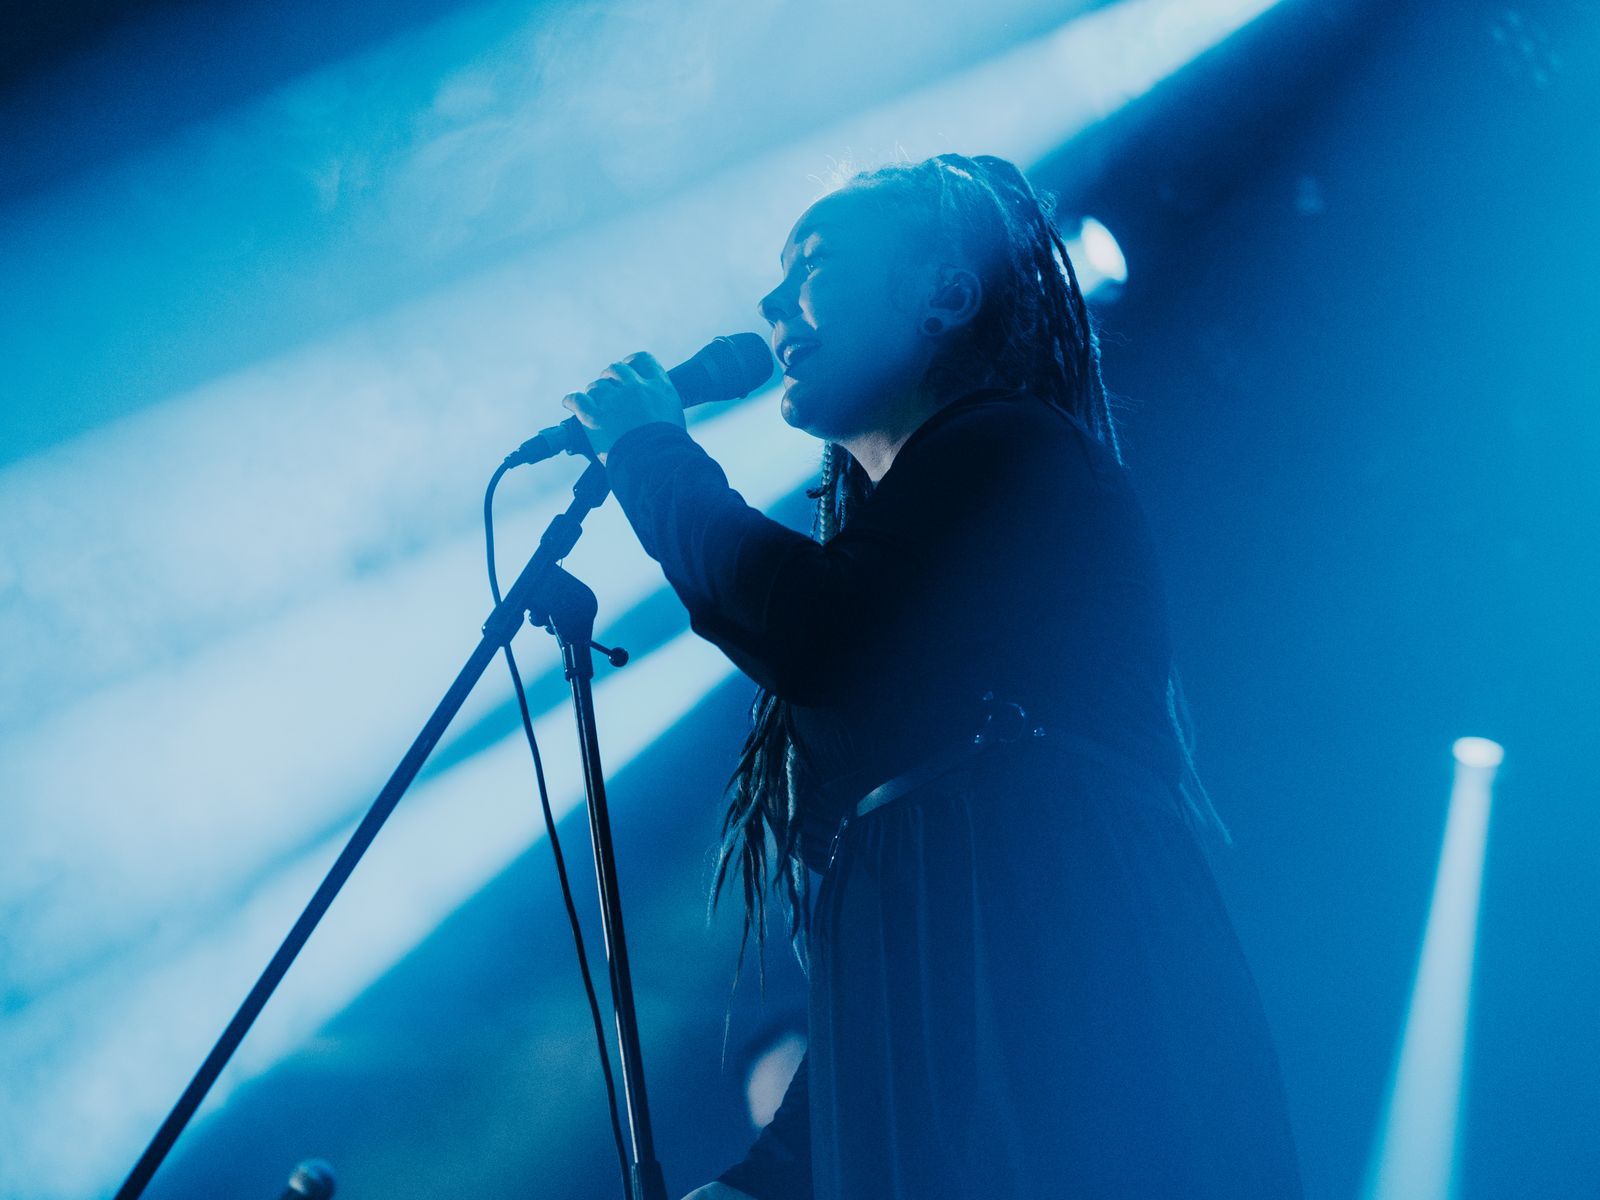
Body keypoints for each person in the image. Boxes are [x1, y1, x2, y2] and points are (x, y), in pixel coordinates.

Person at [561, 153, 1304, 1200]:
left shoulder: (1014, 448)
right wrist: (768, 1178)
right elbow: (899, 968)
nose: (773, 302)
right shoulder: (905, 563)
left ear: (945, 297)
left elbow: (818, 630)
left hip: (1061, 1001)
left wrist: (651, 456)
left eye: (815, 264)